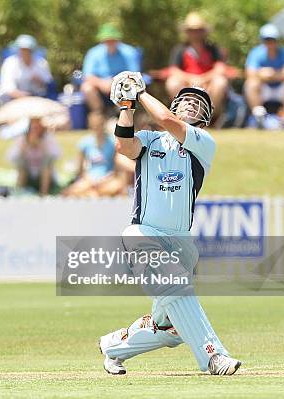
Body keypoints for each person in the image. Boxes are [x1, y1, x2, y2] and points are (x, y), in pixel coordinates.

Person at [98, 71, 241, 375]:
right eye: (186, 101)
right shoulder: (150, 141)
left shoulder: (204, 143)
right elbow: (124, 146)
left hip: (181, 243)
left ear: (205, 117)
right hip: (143, 233)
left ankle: (113, 346)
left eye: (198, 104)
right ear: (176, 104)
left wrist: (139, 93)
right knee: (177, 288)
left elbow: (165, 119)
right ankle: (213, 356)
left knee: (170, 328)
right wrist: (126, 105)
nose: (191, 105)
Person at [165, 12, 228, 118]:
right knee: (172, 82)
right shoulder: (179, 49)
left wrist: (203, 79)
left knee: (220, 82)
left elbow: (220, 68)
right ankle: (184, 115)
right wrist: (191, 79)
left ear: (203, 31)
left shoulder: (213, 48)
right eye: (192, 30)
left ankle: (209, 116)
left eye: (198, 30)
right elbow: (173, 70)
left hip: (208, 84)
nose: (195, 33)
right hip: (186, 85)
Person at [244, 24, 284, 127]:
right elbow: (249, 73)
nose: (270, 42)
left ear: (277, 40)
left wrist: (272, 74)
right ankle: (259, 118)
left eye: (272, 39)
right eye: (267, 39)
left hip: (282, 88)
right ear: (262, 40)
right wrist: (262, 74)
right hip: (264, 88)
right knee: (251, 83)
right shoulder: (256, 52)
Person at [62, 113, 132, 197]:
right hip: (89, 180)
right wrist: (88, 179)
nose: (97, 128)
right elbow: (80, 170)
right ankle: (93, 193)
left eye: (99, 125)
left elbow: (117, 167)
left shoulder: (113, 142)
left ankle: (92, 194)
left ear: (103, 125)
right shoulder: (85, 143)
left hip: (108, 179)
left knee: (116, 187)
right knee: (69, 192)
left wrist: (106, 179)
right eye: (94, 125)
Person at [80, 23, 141, 117]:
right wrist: (102, 83)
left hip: (123, 86)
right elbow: (87, 76)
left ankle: (126, 116)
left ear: (118, 40)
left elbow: (135, 75)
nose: (110, 43)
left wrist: (115, 83)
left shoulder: (129, 52)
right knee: (87, 88)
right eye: (107, 40)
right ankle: (98, 114)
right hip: (100, 88)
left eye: (112, 40)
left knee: (131, 87)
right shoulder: (93, 53)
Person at [7, 117, 62, 196]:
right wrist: (24, 148)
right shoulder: (22, 140)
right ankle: (19, 192)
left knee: (47, 163)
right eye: (33, 127)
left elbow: (56, 156)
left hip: (44, 177)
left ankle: (43, 194)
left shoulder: (48, 139)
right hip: (28, 176)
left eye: (38, 127)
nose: (36, 130)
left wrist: (41, 145)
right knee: (21, 163)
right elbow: (12, 158)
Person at [0, 34, 53, 105]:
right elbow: (7, 87)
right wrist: (23, 96)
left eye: (28, 50)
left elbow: (49, 84)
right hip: (12, 100)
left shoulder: (41, 63)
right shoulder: (10, 63)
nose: (25, 52)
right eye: (22, 49)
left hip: (37, 98)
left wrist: (40, 81)